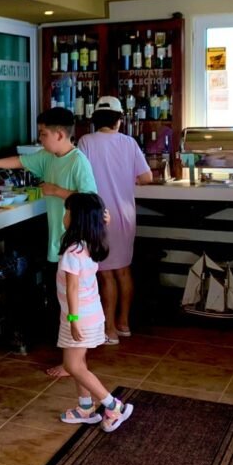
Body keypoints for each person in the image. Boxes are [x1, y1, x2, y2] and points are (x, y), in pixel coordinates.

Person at [0, 107, 97, 378]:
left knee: (73, 303)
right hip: (57, 243)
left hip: (73, 245)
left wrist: (56, 190)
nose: (40, 139)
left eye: (43, 134)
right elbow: (21, 161)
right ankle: (70, 360)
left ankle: (74, 363)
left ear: (59, 134)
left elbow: (91, 200)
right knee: (61, 302)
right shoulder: (48, 156)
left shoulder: (78, 162)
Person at [56, 192, 134, 432]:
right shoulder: (90, 243)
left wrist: (73, 320)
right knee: (78, 362)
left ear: (77, 219)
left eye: (68, 212)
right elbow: (99, 223)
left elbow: (72, 288)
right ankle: (85, 408)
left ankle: (113, 406)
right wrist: (102, 219)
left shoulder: (72, 253)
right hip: (88, 315)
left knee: (73, 366)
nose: (64, 216)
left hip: (78, 317)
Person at [78, 97, 153, 342]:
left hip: (100, 215)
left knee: (105, 274)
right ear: (119, 120)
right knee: (123, 270)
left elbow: (80, 177)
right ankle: (123, 323)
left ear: (95, 119)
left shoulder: (86, 141)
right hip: (126, 216)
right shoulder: (129, 143)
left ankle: (109, 330)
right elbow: (147, 178)